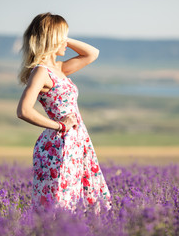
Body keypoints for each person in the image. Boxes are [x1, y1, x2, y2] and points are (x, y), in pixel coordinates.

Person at [16, 12, 112, 214]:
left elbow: (92, 54)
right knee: (60, 203)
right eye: (62, 38)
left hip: (78, 141)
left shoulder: (59, 68)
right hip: (60, 144)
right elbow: (23, 110)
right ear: (51, 39)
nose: (66, 44)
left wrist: (63, 38)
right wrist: (59, 126)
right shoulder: (41, 71)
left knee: (85, 200)